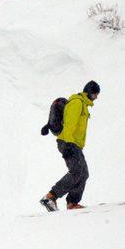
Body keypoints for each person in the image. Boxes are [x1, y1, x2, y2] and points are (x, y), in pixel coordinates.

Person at [40, 81, 100, 212]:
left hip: (74, 144)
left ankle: (72, 203)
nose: (96, 97)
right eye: (94, 94)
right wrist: (68, 143)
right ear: (89, 92)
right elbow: (70, 123)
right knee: (77, 171)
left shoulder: (83, 105)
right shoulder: (77, 102)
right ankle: (50, 197)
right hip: (68, 142)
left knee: (83, 173)